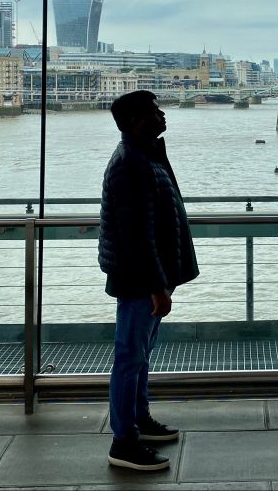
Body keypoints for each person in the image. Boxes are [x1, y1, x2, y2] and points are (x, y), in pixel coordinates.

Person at [99, 90, 199, 471]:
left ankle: (139, 420)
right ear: (137, 120)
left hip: (149, 276)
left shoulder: (144, 155)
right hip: (139, 279)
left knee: (139, 356)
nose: (162, 114)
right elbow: (137, 235)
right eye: (155, 110)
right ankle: (123, 443)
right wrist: (157, 287)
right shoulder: (131, 163)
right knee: (129, 358)